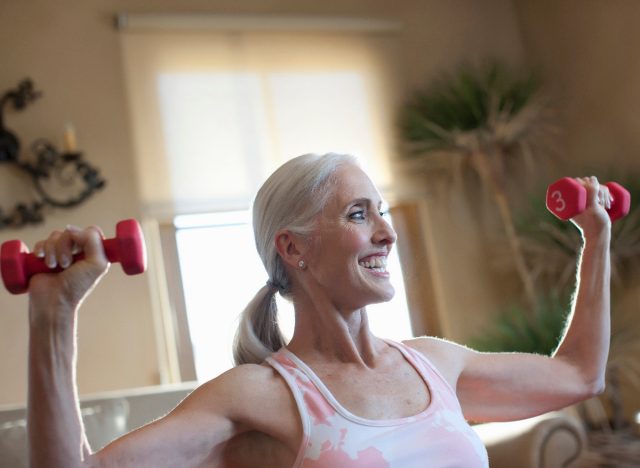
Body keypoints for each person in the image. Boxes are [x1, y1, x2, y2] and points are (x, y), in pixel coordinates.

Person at [27, 153, 611, 467]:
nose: (386, 231)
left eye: (383, 211)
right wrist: (54, 318)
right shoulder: (260, 394)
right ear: (294, 247)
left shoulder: (437, 365)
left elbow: (581, 374)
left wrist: (597, 237)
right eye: (359, 214)